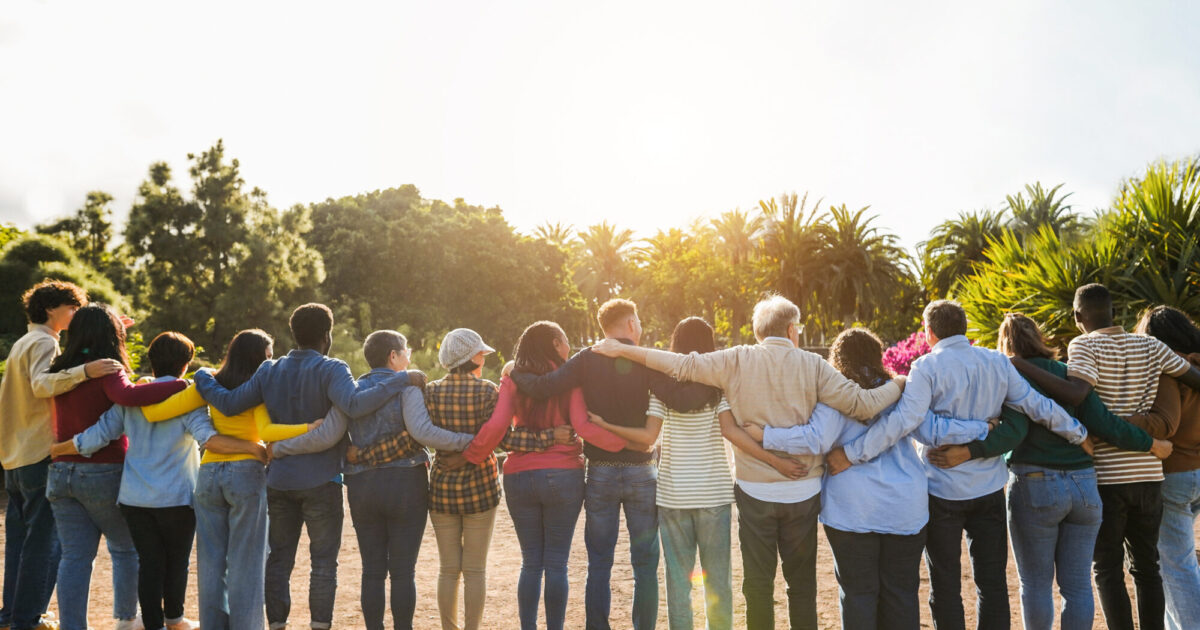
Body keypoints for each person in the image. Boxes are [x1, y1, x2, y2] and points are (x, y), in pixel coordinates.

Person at [591, 296, 906, 630]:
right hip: (801, 490)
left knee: (755, 585)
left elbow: (681, 365)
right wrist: (899, 382)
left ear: (758, 331)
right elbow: (862, 404)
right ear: (790, 329)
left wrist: (624, 350)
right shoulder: (813, 366)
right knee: (800, 586)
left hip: (750, 491)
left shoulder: (737, 360)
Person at [809, 300, 1088, 630]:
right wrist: (1077, 432)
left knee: (945, 586)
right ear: (965, 327)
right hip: (988, 489)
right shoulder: (996, 362)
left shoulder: (925, 368)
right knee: (993, 584)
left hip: (942, 491)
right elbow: (1036, 404)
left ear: (928, 332)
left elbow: (909, 424)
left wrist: (852, 453)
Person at [929, 313, 1173, 630]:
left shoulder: (1010, 378)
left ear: (1005, 345)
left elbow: (1013, 432)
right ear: (1040, 339)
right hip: (1085, 486)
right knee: (1077, 586)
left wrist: (971, 449)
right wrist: (1150, 443)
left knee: (1036, 584)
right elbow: (1104, 423)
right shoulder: (1068, 375)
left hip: (1036, 485)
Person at [745, 327, 993, 630]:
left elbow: (815, 439)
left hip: (852, 510)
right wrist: (983, 428)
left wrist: (765, 435)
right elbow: (935, 431)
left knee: (858, 595)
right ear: (877, 357)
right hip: (904, 509)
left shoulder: (836, 395)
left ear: (837, 358)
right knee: (901, 594)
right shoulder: (899, 392)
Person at [192, 304, 421, 630]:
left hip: (280, 480)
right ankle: (319, 625)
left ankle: (278, 624)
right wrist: (401, 381)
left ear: (293, 333)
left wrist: (203, 376)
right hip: (321, 480)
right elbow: (355, 405)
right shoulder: (332, 368)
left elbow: (229, 403)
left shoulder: (269, 369)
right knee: (323, 563)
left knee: (279, 559)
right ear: (326, 335)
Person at [506, 299, 717, 630]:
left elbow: (545, 385)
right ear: (631, 323)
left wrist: (514, 369)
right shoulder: (645, 360)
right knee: (645, 564)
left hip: (601, 470)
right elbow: (680, 399)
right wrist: (716, 381)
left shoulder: (585, 360)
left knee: (599, 562)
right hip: (641, 472)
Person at [586, 317, 805, 630]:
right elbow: (732, 432)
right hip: (714, 497)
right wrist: (776, 460)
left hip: (673, 497)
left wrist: (605, 425)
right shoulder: (719, 388)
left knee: (679, 585)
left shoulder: (661, 389)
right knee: (718, 583)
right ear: (709, 347)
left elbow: (648, 438)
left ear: (674, 346)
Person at [342, 330, 564, 630]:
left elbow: (412, 438)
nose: (484, 360)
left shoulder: (429, 392)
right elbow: (505, 438)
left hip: (443, 489)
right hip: (480, 489)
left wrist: (365, 453)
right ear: (473, 358)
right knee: (474, 570)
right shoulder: (488, 392)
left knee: (448, 569)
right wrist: (549, 437)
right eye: (482, 355)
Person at [1012, 285, 1200, 630]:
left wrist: (1019, 364)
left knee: (1108, 568)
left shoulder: (1083, 344)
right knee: (1148, 568)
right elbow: (1193, 378)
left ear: (1077, 317)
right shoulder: (1152, 345)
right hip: (1149, 475)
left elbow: (1077, 393)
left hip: (1108, 476)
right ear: (1114, 312)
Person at [265, 330, 480, 630]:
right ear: (393, 356)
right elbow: (423, 433)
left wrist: (281, 448)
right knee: (403, 571)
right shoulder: (408, 387)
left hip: (364, 488)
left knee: (373, 571)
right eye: (406, 352)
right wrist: (470, 441)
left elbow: (326, 435)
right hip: (406, 483)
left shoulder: (351, 392)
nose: (409, 359)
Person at [50, 332, 267, 630]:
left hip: (135, 497)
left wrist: (58, 449)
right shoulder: (187, 399)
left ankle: (153, 624)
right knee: (177, 561)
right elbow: (210, 439)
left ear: (151, 362)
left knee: (148, 563)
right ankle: (174, 617)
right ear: (186, 364)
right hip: (177, 496)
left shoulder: (131, 397)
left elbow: (98, 435)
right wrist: (255, 447)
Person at [124, 329, 315, 630]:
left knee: (211, 561)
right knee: (246, 563)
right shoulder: (258, 387)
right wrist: (308, 427)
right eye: (268, 355)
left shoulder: (209, 383)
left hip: (209, 475)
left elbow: (154, 413)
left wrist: (143, 386)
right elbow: (266, 432)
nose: (271, 361)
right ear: (256, 357)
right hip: (246, 475)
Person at [462, 321, 630, 630]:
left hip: (518, 477)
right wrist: (628, 443)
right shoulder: (571, 381)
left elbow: (498, 425)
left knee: (530, 563)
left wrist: (472, 454)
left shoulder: (512, 380)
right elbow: (583, 426)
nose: (568, 347)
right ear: (555, 344)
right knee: (556, 564)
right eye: (565, 340)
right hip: (563, 476)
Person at [46, 305, 189, 630]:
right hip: (101, 469)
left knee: (75, 557)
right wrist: (183, 386)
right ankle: (127, 621)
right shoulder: (108, 369)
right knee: (126, 548)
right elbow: (128, 397)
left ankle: (73, 626)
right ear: (112, 335)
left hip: (61, 472)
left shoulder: (61, 368)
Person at [0, 281, 122, 630]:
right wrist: (86, 370)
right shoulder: (43, 342)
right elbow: (42, 384)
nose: (77, 315)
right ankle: (29, 618)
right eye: (74, 308)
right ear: (52, 308)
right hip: (40, 453)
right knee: (43, 543)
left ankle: (12, 616)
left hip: (15, 455)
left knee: (20, 543)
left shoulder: (24, 342)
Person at [1135, 306, 1200, 630]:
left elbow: (1164, 425)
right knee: (1176, 563)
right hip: (1198, 474)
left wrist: (1114, 422)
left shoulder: (1167, 367)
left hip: (1174, 473)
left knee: (1176, 566)